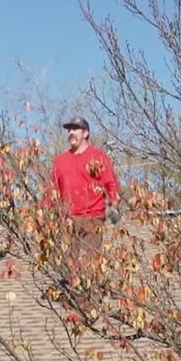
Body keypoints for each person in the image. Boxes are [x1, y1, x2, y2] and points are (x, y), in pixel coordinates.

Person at [50, 116, 120, 271]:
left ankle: (92, 295)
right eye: (69, 130)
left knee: (91, 264)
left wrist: (114, 204)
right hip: (67, 220)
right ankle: (73, 294)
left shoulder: (98, 157)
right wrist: (48, 214)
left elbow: (110, 183)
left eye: (75, 129)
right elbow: (52, 191)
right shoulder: (59, 161)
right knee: (69, 265)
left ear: (86, 133)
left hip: (92, 218)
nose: (70, 133)